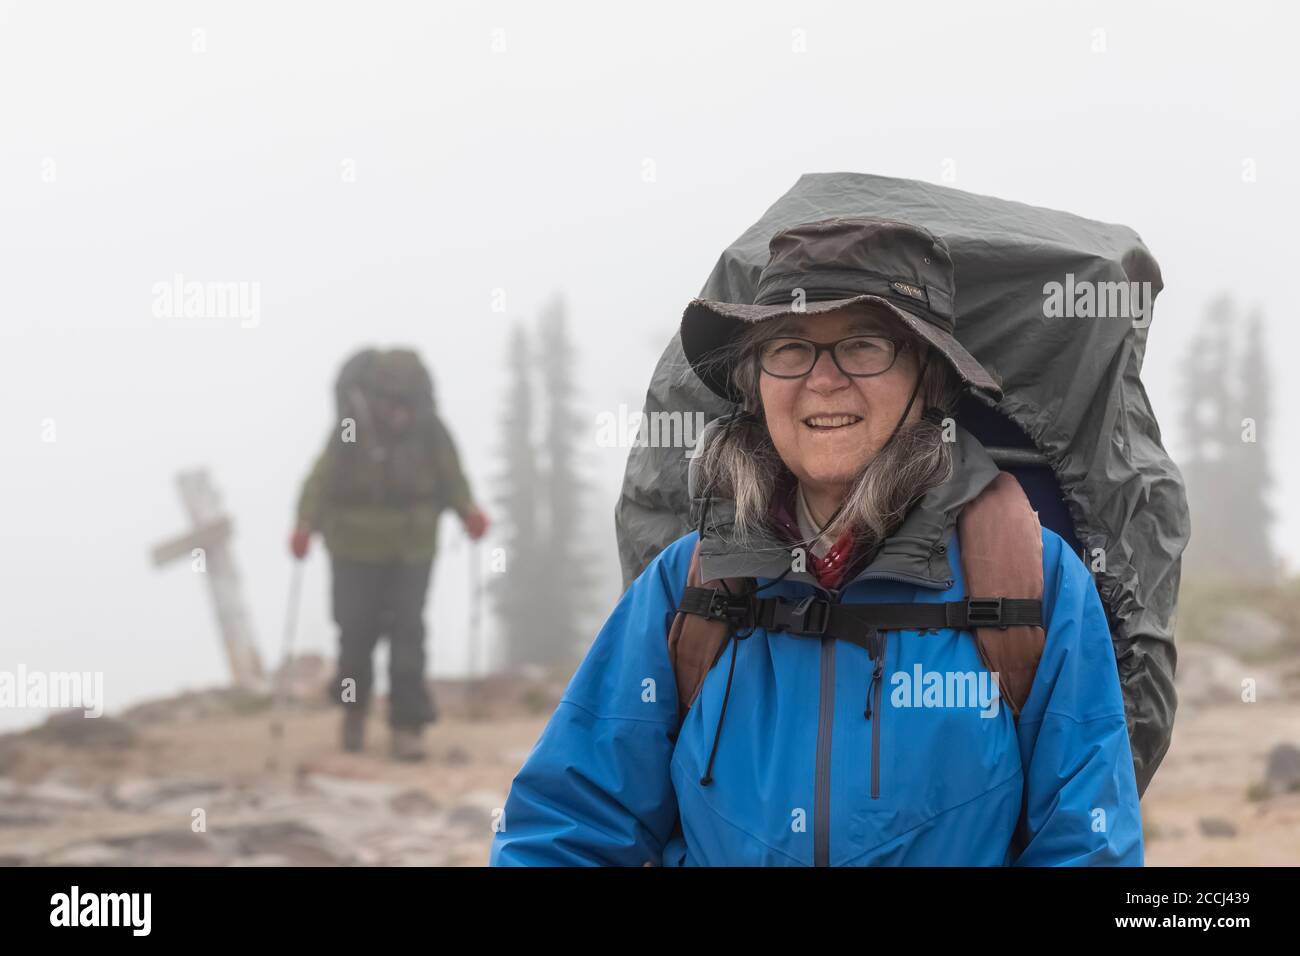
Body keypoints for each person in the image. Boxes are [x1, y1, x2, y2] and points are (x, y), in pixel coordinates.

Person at [490, 217, 1142, 865]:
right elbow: (569, 827)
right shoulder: (689, 587)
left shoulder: (1030, 582)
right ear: (755, 382)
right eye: (789, 348)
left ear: (930, 380)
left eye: (864, 346)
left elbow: (1085, 847)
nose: (823, 380)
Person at [291, 348, 488, 761]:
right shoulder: (350, 428)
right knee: (356, 633)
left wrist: (468, 510)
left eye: (408, 405)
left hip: (411, 547)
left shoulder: (430, 431)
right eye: (392, 403)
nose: (399, 413)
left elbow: (452, 478)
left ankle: (407, 726)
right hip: (352, 547)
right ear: (374, 398)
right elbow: (321, 478)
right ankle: (353, 710)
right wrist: (305, 523)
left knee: (408, 632)